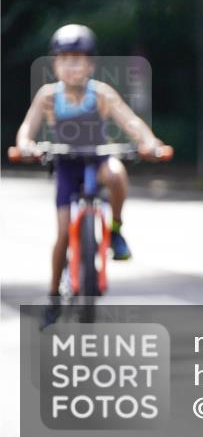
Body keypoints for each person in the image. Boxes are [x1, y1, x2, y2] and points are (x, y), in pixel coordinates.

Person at [14, 24, 167, 313]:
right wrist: (25, 145)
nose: (72, 66)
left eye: (78, 59)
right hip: (66, 165)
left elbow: (130, 121)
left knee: (116, 172)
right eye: (64, 59)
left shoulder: (101, 93)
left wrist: (149, 142)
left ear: (90, 64)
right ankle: (54, 296)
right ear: (55, 64)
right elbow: (27, 128)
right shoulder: (48, 95)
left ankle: (116, 228)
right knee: (61, 234)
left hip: (97, 159)